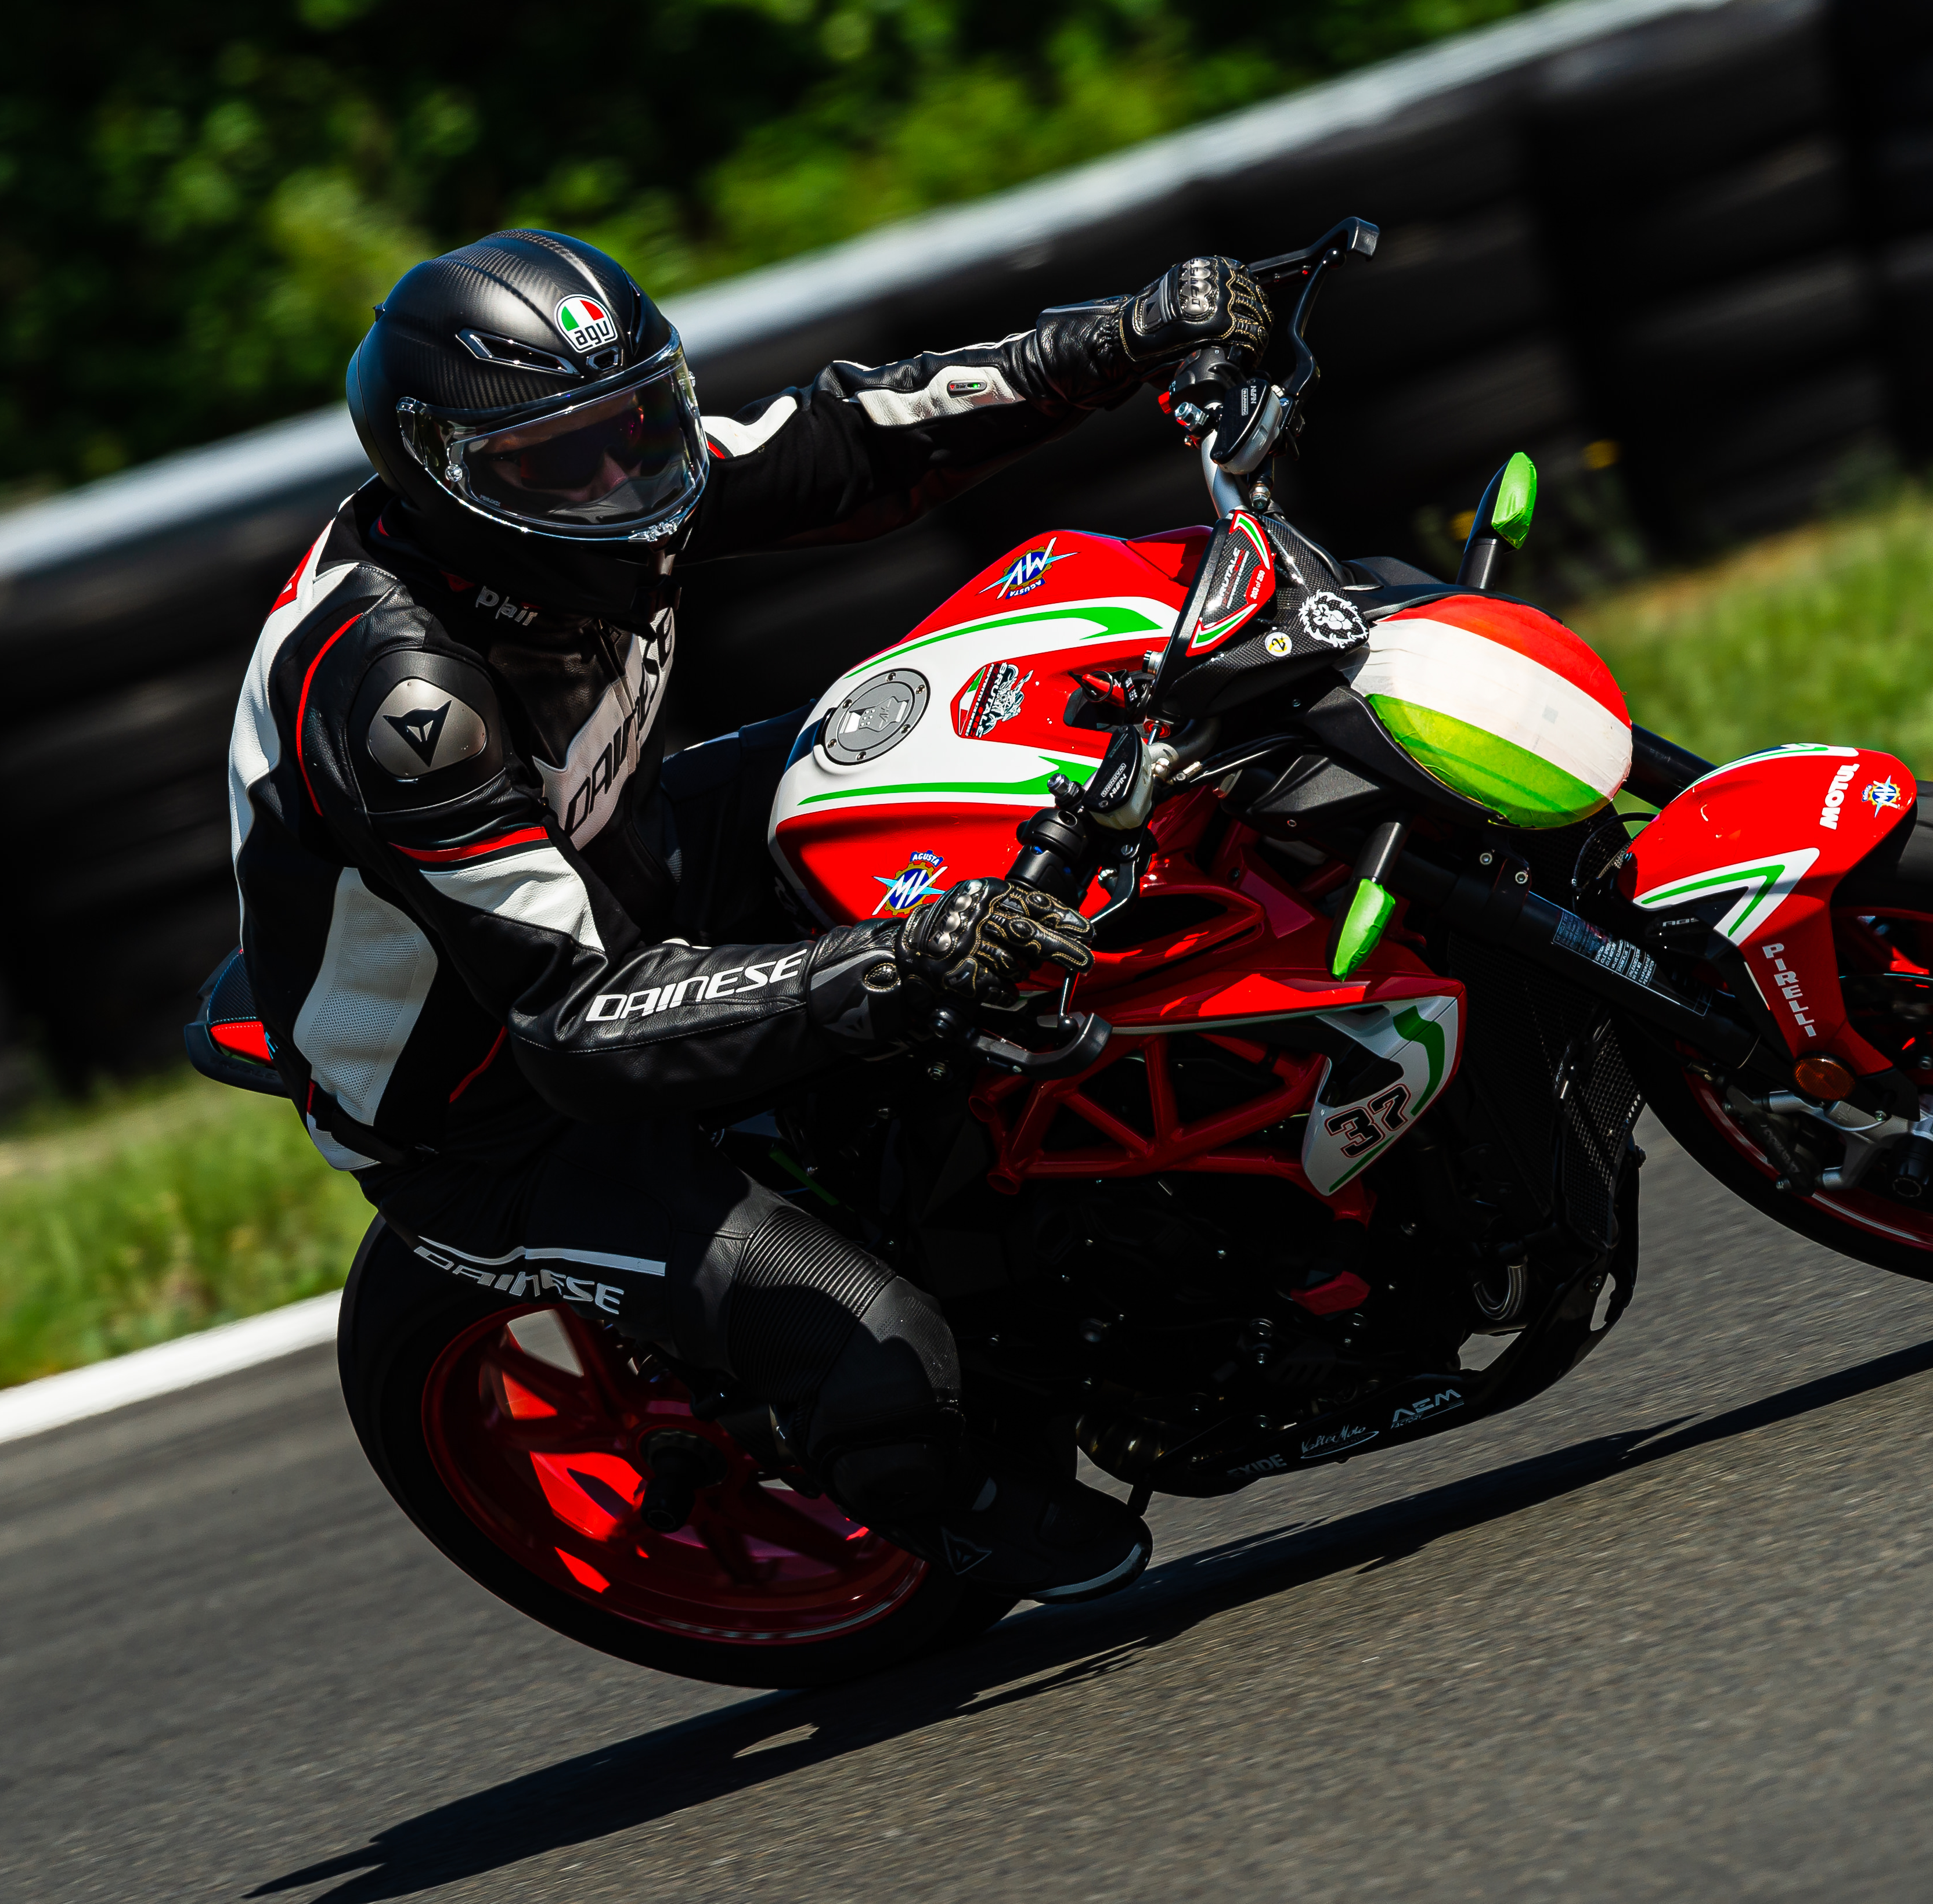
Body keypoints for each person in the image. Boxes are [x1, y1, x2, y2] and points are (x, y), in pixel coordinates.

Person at [229, 229, 1268, 1601]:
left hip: (627, 850)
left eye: (642, 426)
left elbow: (850, 441)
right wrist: (893, 960)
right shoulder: (402, 697)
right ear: (442, 477)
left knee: (976, 759)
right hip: (491, 1086)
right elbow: (577, 1022)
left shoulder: (603, 471)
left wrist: (1114, 338)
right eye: (563, 464)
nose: (627, 487)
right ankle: (931, 1505)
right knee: (881, 1345)